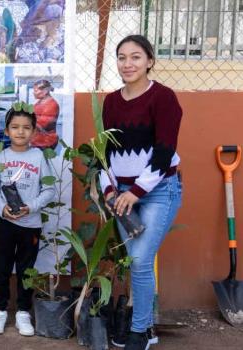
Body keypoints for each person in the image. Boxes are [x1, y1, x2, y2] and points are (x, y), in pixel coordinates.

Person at [101, 35, 182, 350]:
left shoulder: (164, 98)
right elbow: (106, 152)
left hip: (159, 190)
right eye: (122, 57)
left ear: (149, 61)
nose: (128, 63)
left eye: (136, 57)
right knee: (137, 260)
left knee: (139, 259)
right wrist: (109, 189)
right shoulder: (111, 101)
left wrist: (134, 191)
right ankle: (146, 328)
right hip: (122, 195)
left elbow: (164, 153)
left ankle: (138, 333)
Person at [0, 102, 55, 336]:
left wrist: (31, 207)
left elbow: (49, 190)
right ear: (6, 131)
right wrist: (2, 209)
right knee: (1, 269)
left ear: (34, 132)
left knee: (26, 270)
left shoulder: (38, 157)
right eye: (15, 127)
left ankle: (23, 312)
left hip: (30, 225)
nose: (20, 132)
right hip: (5, 223)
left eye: (26, 127)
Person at [30, 79, 60, 150]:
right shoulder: (39, 103)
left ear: (45, 91)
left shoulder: (52, 105)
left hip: (46, 142)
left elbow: (42, 125)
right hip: (36, 140)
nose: (34, 93)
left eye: (36, 90)